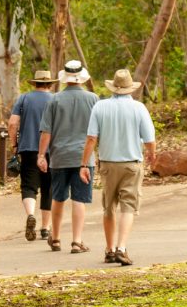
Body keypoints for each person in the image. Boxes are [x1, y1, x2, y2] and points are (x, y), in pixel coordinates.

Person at [80, 69, 156, 266]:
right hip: (131, 164)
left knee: (109, 206)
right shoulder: (139, 108)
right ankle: (122, 247)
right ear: (130, 89)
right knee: (128, 206)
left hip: (107, 164)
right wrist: (152, 155)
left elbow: (91, 138)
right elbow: (149, 140)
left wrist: (84, 164)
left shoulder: (100, 107)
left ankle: (109, 249)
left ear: (113, 87)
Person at [38, 60, 99, 254]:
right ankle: (76, 241)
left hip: (59, 157)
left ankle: (55, 239)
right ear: (81, 78)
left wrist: (41, 155)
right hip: (84, 158)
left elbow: (46, 131)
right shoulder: (93, 99)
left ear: (65, 78)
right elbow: (97, 132)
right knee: (79, 199)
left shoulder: (54, 100)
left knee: (58, 197)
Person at [8, 70, 57, 242]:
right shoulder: (55, 99)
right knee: (48, 187)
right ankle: (45, 228)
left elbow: (13, 123)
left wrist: (14, 145)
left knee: (29, 185)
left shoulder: (24, 98)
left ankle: (30, 215)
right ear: (50, 84)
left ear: (35, 83)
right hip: (52, 149)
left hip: (28, 148)